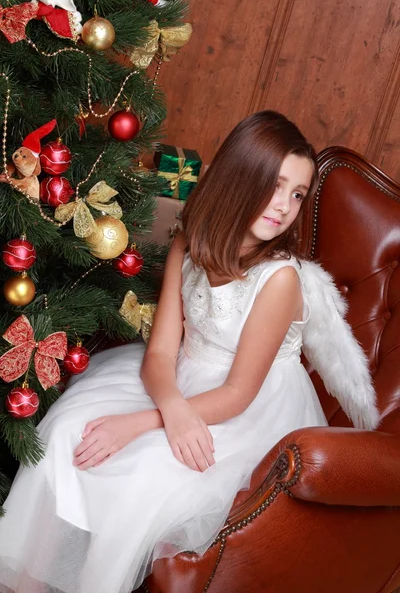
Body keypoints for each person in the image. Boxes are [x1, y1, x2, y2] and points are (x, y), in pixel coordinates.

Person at [0, 111, 378, 593]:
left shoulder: (280, 279)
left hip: (248, 408)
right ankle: (30, 583)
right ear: (241, 176)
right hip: (179, 379)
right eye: (276, 185)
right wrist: (170, 406)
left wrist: (144, 422)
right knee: (71, 432)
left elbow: (239, 393)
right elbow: (159, 354)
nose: (284, 206)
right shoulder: (190, 240)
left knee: (142, 476)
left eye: (298, 194)